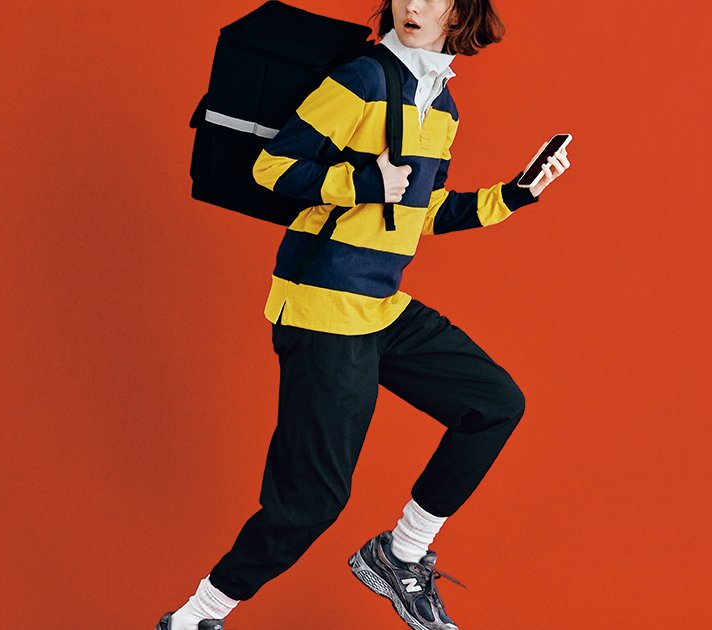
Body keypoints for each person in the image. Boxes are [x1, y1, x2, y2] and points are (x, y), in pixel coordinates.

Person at [156, 0, 570, 628]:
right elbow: (271, 167)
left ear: (461, 12)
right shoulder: (362, 79)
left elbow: (420, 211)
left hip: (379, 306)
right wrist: (361, 184)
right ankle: (194, 618)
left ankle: (400, 554)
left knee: (494, 404)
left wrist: (513, 195)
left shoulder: (443, 108)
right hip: (321, 306)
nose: (414, 6)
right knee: (313, 501)